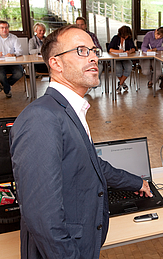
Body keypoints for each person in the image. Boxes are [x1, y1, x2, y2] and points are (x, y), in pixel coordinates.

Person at [10, 25, 152, 258]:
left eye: (94, 50)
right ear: (56, 63)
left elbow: (90, 165)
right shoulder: (41, 118)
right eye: (81, 51)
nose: (94, 57)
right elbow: (44, 220)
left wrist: (136, 182)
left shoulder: (70, 110)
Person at [75, 16, 103, 89]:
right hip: (77, 60)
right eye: (78, 25)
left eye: (82, 25)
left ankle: (90, 86)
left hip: (90, 59)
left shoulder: (91, 35)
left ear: (86, 25)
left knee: (100, 67)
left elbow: (99, 49)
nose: (80, 27)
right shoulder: (72, 36)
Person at [108, 25, 136, 92]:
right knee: (118, 68)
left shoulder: (129, 39)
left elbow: (133, 48)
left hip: (125, 58)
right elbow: (109, 49)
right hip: (115, 58)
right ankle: (122, 84)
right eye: (126, 35)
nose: (127, 37)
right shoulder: (115, 38)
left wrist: (129, 51)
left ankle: (120, 84)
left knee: (129, 66)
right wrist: (118, 51)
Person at [0, 20, 23, 98]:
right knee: (1, 75)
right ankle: (7, 90)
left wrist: (13, 54)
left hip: (12, 62)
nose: (4, 30)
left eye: (6, 27)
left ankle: (5, 86)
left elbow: (20, 51)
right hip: (1, 64)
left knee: (19, 73)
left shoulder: (14, 37)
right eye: (2, 28)